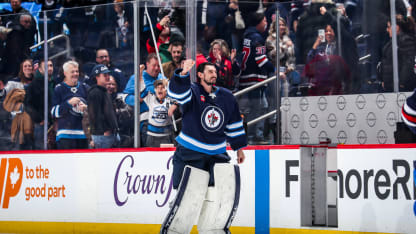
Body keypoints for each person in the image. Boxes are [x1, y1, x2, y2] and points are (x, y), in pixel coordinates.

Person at [161, 60, 246, 233]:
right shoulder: (192, 91)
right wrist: (183, 73)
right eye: (209, 71)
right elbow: (176, 94)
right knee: (184, 197)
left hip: (217, 153)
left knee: (217, 197)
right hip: (190, 152)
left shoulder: (226, 96)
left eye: (215, 71)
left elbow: (234, 123)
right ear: (200, 75)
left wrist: (239, 148)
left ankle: (213, 230)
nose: (214, 74)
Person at [239, 12, 275, 144]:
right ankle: (255, 136)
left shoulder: (246, 36)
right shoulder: (257, 38)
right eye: (264, 20)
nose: (266, 23)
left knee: (255, 107)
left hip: (245, 77)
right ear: (258, 22)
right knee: (259, 107)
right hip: (255, 78)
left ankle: (251, 135)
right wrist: (273, 69)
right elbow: (261, 60)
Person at [123, 54, 166, 146]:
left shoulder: (162, 78)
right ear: (147, 64)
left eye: (158, 66)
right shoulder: (136, 77)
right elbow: (125, 97)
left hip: (163, 122)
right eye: (154, 65)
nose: (156, 68)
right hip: (146, 122)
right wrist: (138, 100)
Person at [51, 61, 89, 149]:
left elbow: (93, 109)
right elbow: (53, 112)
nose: (75, 74)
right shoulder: (59, 89)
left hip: (83, 134)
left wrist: (86, 108)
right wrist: (68, 103)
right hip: (65, 134)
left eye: (77, 71)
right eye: (72, 72)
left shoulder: (85, 87)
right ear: (65, 73)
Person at [379, 14, 416, 92]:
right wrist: (383, 80)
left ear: (396, 27)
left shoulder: (405, 40)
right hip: (391, 86)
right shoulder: (392, 42)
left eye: (389, 27)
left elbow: (408, 63)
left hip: (401, 88)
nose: (387, 30)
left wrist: (402, 83)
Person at [23, 59, 54, 150]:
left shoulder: (55, 82)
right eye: (46, 66)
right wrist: (39, 119)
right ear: (39, 69)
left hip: (55, 123)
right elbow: (27, 105)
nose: (49, 68)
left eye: (51, 65)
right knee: (41, 149)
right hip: (41, 125)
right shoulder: (34, 85)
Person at [87, 64, 119, 149]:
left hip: (110, 134)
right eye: (104, 75)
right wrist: (104, 130)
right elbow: (94, 115)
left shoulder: (105, 92)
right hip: (103, 136)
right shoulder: (95, 93)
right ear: (97, 77)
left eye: (108, 74)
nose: (107, 77)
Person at [141, 79, 177, 147]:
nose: (160, 89)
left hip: (166, 136)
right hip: (151, 136)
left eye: (163, 87)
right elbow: (141, 89)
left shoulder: (169, 100)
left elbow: (178, 98)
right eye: (157, 88)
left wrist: (174, 105)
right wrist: (140, 73)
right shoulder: (151, 99)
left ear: (166, 90)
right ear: (154, 90)